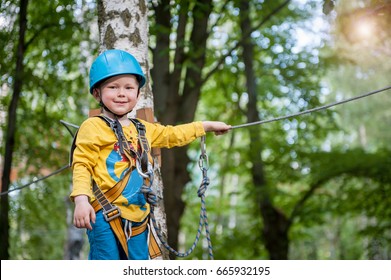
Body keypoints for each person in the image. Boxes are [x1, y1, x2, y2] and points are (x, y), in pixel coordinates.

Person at [70, 49, 231, 260]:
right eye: (113, 87)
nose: (121, 93)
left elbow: (172, 134)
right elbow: (82, 164)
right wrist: (81, 200)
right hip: (104, 215)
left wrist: (206, 126)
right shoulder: (93, 127)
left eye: (129, 88)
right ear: (97, 93)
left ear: (138, 94)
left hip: (138, 216)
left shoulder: (143, 129)